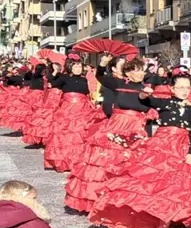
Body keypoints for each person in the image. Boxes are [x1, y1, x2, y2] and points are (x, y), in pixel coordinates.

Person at [89, 73, 191, 228]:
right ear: (172, 89)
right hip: (161, 145)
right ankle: (157, 215)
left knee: (177, 184)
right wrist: (143, 94)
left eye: (187, 87)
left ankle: (174, 215)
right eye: (180, 87)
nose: (184, 90)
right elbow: (147, 100)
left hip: (181, 147)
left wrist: (190, 152)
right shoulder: (165, 103)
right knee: (158, 182)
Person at [65, 58, 151, 213]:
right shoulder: (118, 84)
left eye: (142, 70)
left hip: (136, 130)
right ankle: (102, 198)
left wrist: (148, 139)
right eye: (137, 70)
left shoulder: (146, 89)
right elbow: (100, 76)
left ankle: (125, 201)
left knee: (131, 166)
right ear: (127, 72)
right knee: (109, 163)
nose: (141, 73)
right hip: (117, 128)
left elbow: (150, 115)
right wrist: (103, 63)